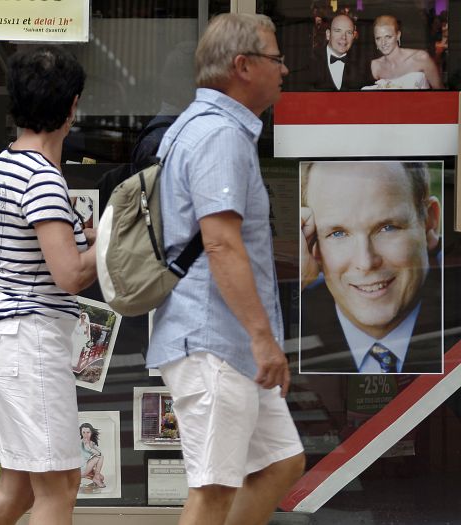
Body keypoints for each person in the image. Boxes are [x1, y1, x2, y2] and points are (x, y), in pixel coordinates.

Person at [146, 14, 305, 525]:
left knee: (281, 462)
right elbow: (221, 244)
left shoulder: (201, 127)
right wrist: (263, 338)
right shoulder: (219, 135)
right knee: (212, 490)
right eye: (276, 59)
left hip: (225, 341)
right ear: (243, 66)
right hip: (214, 340)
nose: (284, 70)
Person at [0, 45, 97, 525]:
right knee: (59, 488)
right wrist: (113, 247)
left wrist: (88, 236)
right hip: (29, 343)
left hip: (0, 338)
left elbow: (38, 245)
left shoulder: (7, 163)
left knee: (16, 489)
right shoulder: (43, 177)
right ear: (71, 107)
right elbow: (70, 274)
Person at [299, 161, 442, 373]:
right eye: (338, 233)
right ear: (310, 242)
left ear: (430, 224)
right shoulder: (294, 322)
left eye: (387, 228)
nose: (365, 262)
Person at [366, 15, 445, 89]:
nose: (383, 43)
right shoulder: (375, 66)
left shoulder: (421, 58)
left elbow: (443, 94)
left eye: (388, 37)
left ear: (398, 35)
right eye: (378, 38)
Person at [307, 14, 373, 90]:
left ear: (353, 36)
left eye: (349, 32)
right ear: (328, 34)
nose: (344, 37)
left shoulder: (363, 64)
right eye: (338, 31)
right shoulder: (309, 60)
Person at [79, 423, 105, 489]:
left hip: (86, 468)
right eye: (83, 432)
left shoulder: (92, 443)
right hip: (79, 469)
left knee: (102, 478)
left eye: (88, 432)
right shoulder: (78, 443)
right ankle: (95, 478)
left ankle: (94, 477)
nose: (86, 435)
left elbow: (99, 454)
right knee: (100, 457)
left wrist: (89, 448)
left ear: (91, 433)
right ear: (81, 433)